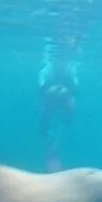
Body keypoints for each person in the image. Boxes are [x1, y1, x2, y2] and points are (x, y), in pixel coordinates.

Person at [38, 35, 82, 172]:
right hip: (51, 97)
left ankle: (63, 129)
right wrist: (54, 91)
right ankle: (47, 137)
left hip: (64, 97)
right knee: (46, 115)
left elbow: (75, 88)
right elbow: (42, 88)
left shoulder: (70, 69)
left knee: (69, 107)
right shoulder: (46, 70)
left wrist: (64, 91)